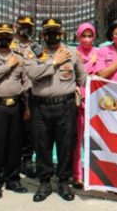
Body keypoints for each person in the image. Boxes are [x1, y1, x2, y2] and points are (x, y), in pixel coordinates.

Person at [25, 18, 86, 202]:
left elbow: (83, 77)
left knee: (66, 145)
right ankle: (44, 183)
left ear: (61, 33)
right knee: (42, 145)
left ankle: (64, 182)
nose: (52, 36)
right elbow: (32, 74)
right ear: (43, 35)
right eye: (48, 32)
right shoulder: (33, 53)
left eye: (55, 32)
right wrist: (53, 63)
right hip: (41, 106)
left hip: (65, 106)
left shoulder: (72, 53)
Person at [0, 22, 30, 200]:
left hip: (17, 106)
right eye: (0, 36)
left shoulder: (20, 57)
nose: (4, 39)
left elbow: (25, 83)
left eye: (7, 36)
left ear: (12, 38)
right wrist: (7, 66)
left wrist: (27, 108)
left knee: (14, 145)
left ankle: (13, 179)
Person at [11, 15, 39, 179]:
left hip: (31, 94)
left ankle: (27, 162)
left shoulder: (36, 47)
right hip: (13, 94)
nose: (26, 29)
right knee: (14, 130)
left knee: (30, 131)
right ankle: (12, 162)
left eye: (29, 26)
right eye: (23, 25)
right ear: (16, 26)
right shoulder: (9, 44)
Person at [73, 22, 98, 189]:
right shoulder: (73, 52)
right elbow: (76, 74)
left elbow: (102, 73)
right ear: (78, 36)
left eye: (90, 36)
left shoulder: (99, 53)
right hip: (79, 102)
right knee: (77, 140)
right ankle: (77, 175)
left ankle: (93, 174)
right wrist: (90, 65)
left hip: (96, 101)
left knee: (94, 140)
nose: (87, 39)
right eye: (84, 36)